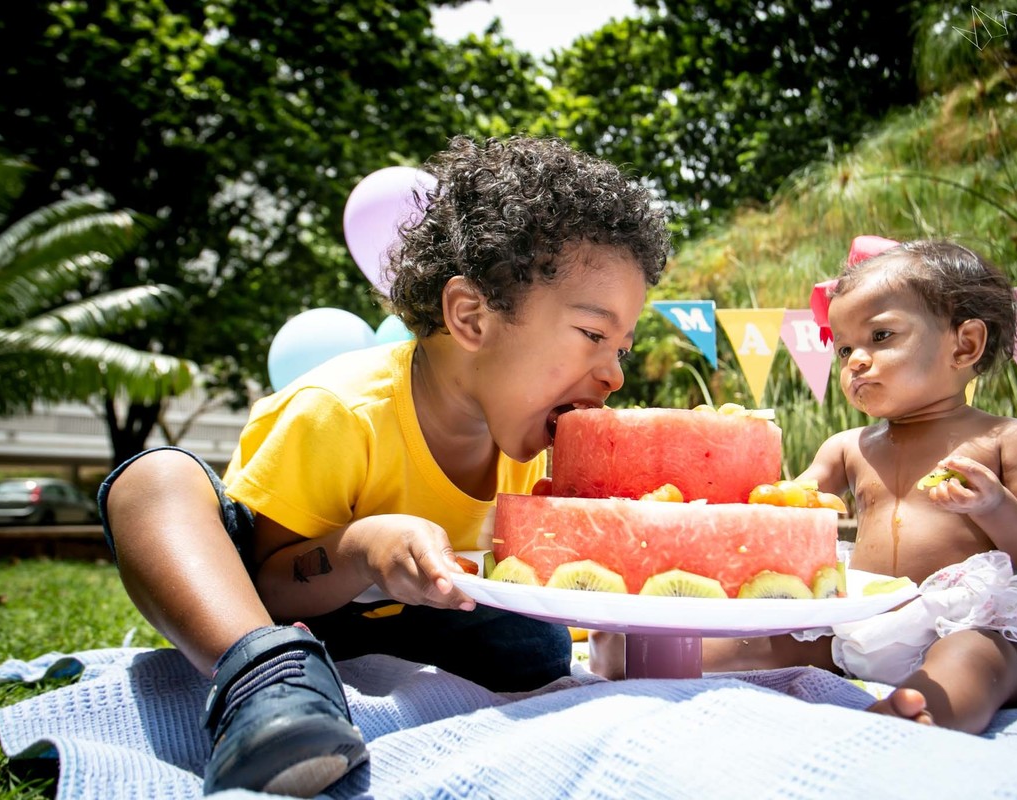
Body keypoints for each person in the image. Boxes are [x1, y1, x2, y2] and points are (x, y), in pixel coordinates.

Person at [98, 135, 671, 796]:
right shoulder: (337, 411)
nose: (614, 375)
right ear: (471, 317)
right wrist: (363, 550)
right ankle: (264, 684)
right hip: (277, 608)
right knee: (154, 480)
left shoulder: (529, 450)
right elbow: (268, 586)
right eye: (594, 336)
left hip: (407, 626)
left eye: (622, 348)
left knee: (534, 647)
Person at [591, 239, 1017, 733]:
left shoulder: (1005, 439)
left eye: (881, 336)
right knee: (772, 637)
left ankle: (930, 709)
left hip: (964, 616)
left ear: (964, 345)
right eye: (842, 348)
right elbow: (782, 507)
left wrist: (995, 506)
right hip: (863, 613)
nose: (856, 361)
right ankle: (653, 654)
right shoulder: (848, 446)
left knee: (981, 657)